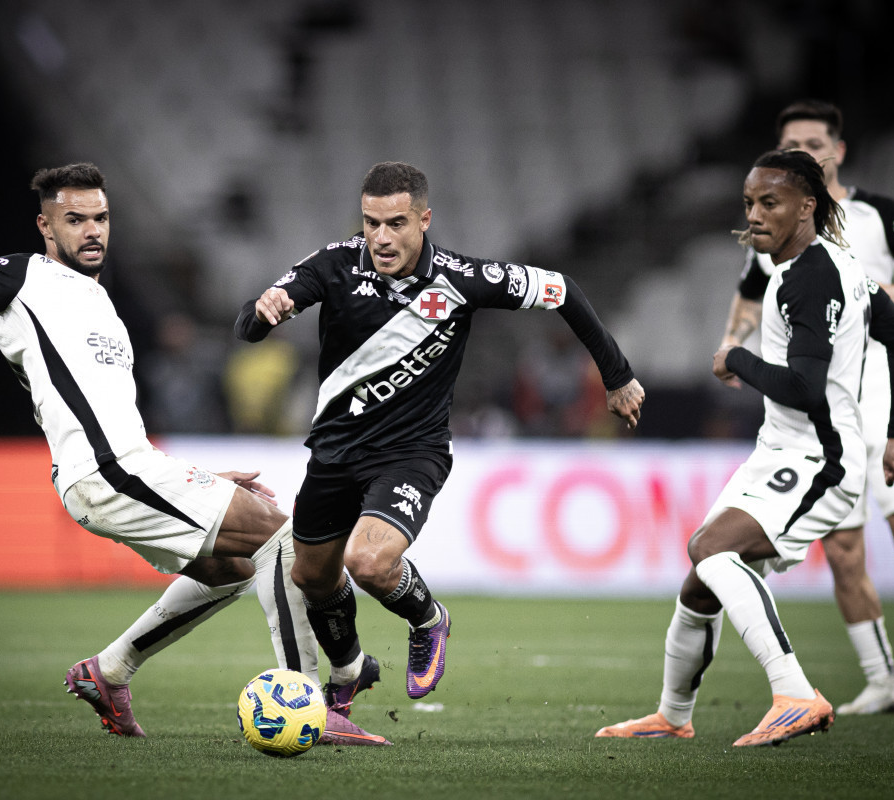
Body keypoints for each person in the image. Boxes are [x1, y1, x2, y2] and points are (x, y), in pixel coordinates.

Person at [0, 147, 389, 746]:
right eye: (75, 219)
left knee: (234, 566)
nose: (91, 231)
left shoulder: (103, 304)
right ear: (46, 226)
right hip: (101, 472)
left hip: (125, 467)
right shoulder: (24, 275)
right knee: (280, 535)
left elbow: (118, 428)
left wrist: (206, 480)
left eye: (101, 218)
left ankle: (108, 672)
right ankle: (313, 703)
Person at [236, 161, 644, 715]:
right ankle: (349, 670)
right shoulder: (332, 265)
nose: (380, 237)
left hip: (412, 453)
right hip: (334, 453)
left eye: (396, 223)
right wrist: (264, 314)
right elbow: (249, 326)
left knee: (370, 561)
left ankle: (428, 620)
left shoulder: (461, 277)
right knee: (310, 575)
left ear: (424, 219)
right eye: (371, 222)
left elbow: (563, 290)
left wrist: (616, 376)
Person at [596, 149, 894, 747]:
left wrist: (736, 359)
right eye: (748, 203)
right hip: (781, 452)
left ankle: (795, 693)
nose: (755, 215)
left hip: (818, 458)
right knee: (703, 576)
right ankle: (672, 716)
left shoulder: (812, 277)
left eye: (769, 202)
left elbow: (803, 386)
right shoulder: (838, 268)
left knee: (711, 551)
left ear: (807, 205)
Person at [716, 100, 894, 717]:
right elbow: (748, 299)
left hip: (885, 400)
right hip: (825, 423)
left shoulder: (881, 216)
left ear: (837, 150)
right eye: (793, 144)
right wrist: (732, 344)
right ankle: (882, 679)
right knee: (843, 551)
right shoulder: (775, 230)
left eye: (814, 142)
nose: (805, 153)